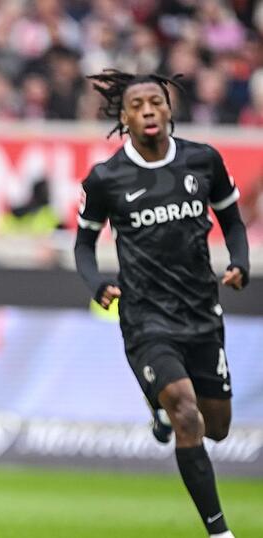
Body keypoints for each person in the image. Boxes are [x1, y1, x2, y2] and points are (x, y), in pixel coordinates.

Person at [75, 69, 249, 538]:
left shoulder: (203, 161)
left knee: (216, 428)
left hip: (201, 313)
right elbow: (83, 247)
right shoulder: (106, 178)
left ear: (169, 109)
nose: (148, 110)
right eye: (137, 105)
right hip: (145, 316)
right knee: (184, 409)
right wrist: (96, 284)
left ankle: (158, 408)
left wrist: (240, 262)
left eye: (156, 101)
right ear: (124, 117)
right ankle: (219, 532)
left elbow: (232, 220)